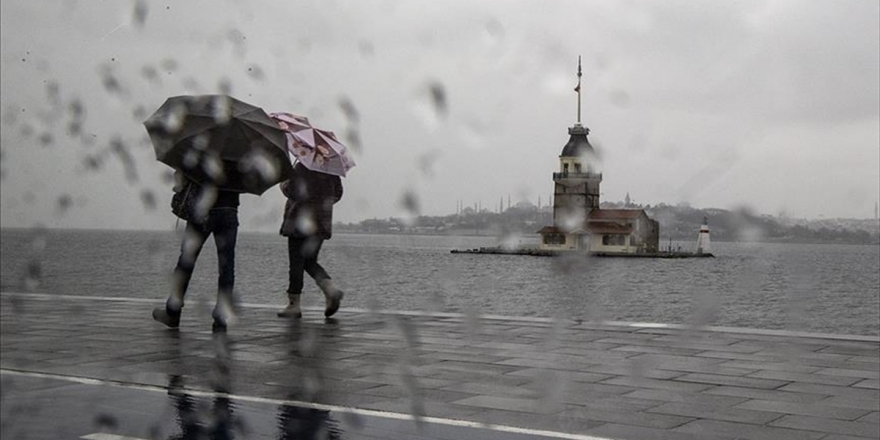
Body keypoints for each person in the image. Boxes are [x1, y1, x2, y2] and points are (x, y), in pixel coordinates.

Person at [153, 172, 241, 330]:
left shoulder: (203, 148)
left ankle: (173, 311)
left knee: (186, 261)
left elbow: (183, 176)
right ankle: (221, 318)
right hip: (229, 210)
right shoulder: (242, 151)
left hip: (203, 209)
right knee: (227, 265)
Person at [277, 162, 344, 319]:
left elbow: (292, 190)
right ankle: (330, 289)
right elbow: (338, 194)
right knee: (309, 261)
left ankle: (294, 305)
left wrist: (283, 184)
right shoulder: (331, 169)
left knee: (296, 262)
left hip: (300, 222)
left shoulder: (302, 166)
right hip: (321, 222)